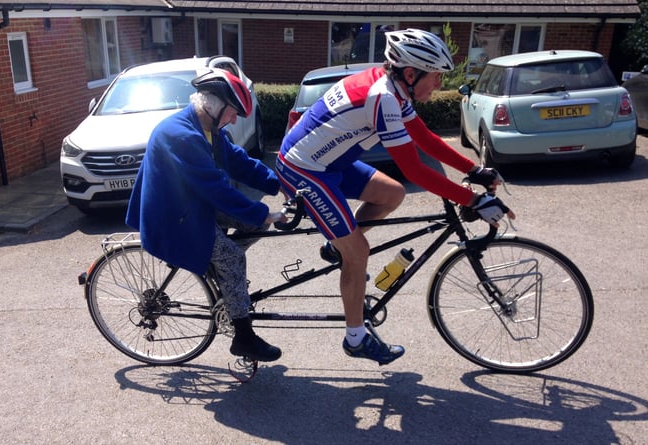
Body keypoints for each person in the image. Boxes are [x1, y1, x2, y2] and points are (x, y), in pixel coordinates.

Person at [276, 28, 515, 366]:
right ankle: (355, 338)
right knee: (358, 251)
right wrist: (471, 200)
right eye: (434, 77)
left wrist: (473, 171)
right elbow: (416, 168)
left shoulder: (394, 90)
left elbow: (424, 138)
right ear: (410, 73)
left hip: (329, 162)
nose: (438, 85)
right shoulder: (383, 97)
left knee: (392, 193)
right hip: (304, 170)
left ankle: (336, 246)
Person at [126, 68, 286, 362]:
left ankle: (224, 277)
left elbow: (238, 161)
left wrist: (278, 182)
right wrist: (262, 213)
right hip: (173, 218)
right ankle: (244, 338)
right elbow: (216, 188)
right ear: (213, 105)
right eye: (233, 112)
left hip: (192, 206)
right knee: (233, 256)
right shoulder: (180, 134)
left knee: (255, 229)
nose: (235, 119)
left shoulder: (207, 129)